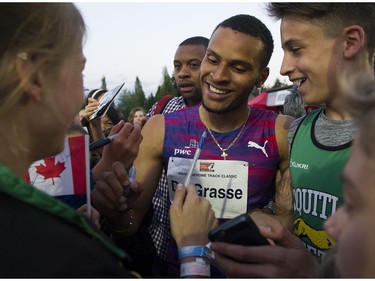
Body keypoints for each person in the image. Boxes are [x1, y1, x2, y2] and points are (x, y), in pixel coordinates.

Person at [92, 14, 294, 278]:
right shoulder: (160, 128)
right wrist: (115, 212)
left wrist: (273, 217)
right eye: (212, 59)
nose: (218, 76)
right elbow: (129, 225)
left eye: (238, 67)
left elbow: (290, 220)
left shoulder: (282, 131)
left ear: (261, 77)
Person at [198, 3, 375, 278]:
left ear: (350, 42)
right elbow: (295, 215)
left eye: (296, 49)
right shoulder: (298, 131)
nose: (284, 68)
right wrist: (266, 221)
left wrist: (310, 274)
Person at [0, 3, 138, 277]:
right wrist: (192, 254)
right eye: (79, 71)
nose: (80, 97)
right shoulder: (59, 257)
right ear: (34, 78)